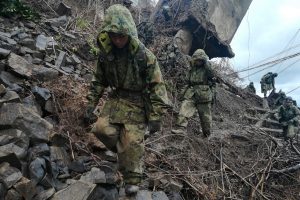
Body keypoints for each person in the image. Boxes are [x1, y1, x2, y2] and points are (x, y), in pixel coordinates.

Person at [85, 4, 170, 195]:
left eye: (121, 35)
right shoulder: (106, 55)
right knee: (101, 130)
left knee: (131, 141)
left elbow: (158, 87)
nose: (117, 40)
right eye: (113, 35)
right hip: (116, 99)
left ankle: (132, 178)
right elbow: (99, 80)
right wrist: (90, 103)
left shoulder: (144, 56)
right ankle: (124, 152)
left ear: (130, 33)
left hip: (138, 102)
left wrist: (156, 116)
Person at [171, 49, 216, 137]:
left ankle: (207, 134)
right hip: (191, 92)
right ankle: (181, 128)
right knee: (184, 108)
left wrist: (206, 62)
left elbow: (211, 74)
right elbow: (187, 82)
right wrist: (181, 94)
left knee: (205, 117)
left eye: (200, 60)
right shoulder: (192, 69)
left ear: (203, 60)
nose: (197, 61)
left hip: (204, 94)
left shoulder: (207, 68)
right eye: (196, 59)